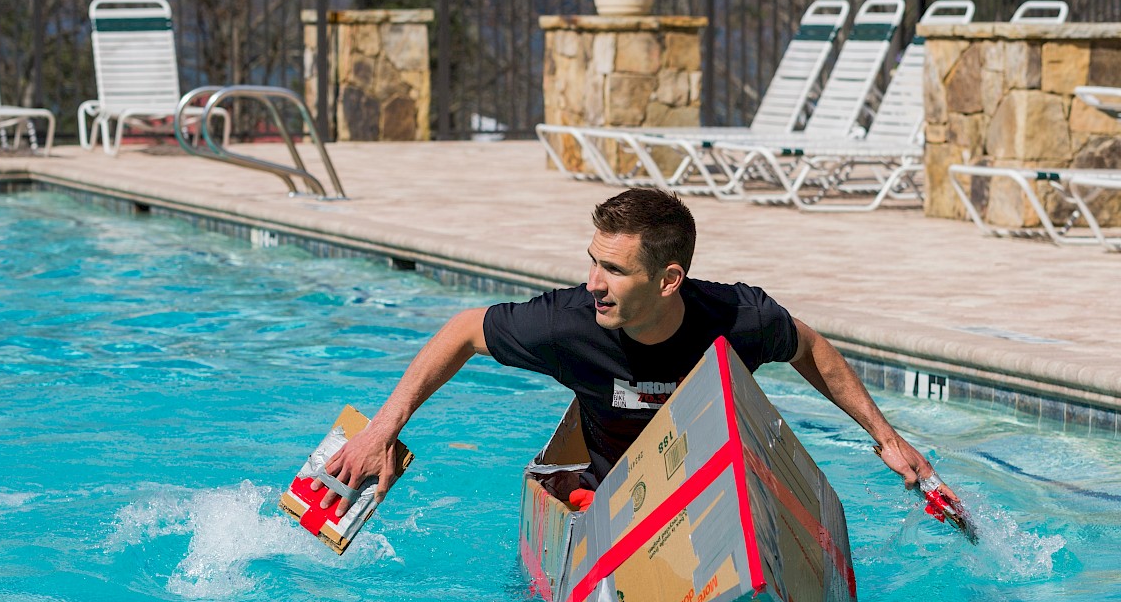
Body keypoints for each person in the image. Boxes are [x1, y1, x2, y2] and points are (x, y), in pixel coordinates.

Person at [314, 188, 960, 516]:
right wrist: (382, 428)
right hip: (611, 492)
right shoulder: (567, 323)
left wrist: (887, 437)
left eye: (615, 270)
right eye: (592, 262)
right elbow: (462, 330)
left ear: (668, 279)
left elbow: (810, 347)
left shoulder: (737, 317)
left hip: (710, 491)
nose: (594, 282)